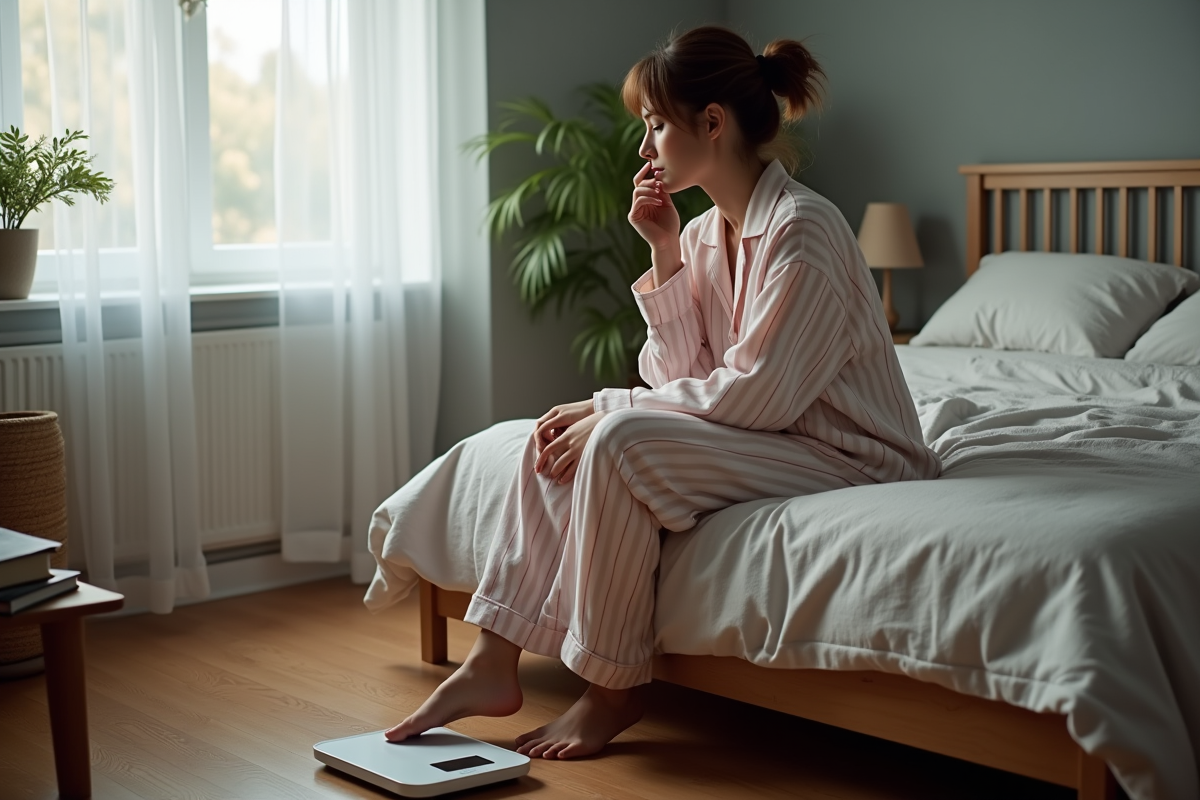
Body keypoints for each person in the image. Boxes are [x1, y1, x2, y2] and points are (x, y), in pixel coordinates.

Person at [382, 25, 941, 760]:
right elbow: (680, 380)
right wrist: (666, 252)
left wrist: (610, 407)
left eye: (654, 126)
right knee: (559, 436)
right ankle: (492, 660)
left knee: (612, 437)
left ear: (712, 123)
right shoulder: (709, 234)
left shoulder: (804, 231)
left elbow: (758, 397)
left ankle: (614, 692)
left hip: (852, 454)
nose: (643, 147)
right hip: (778, 437)